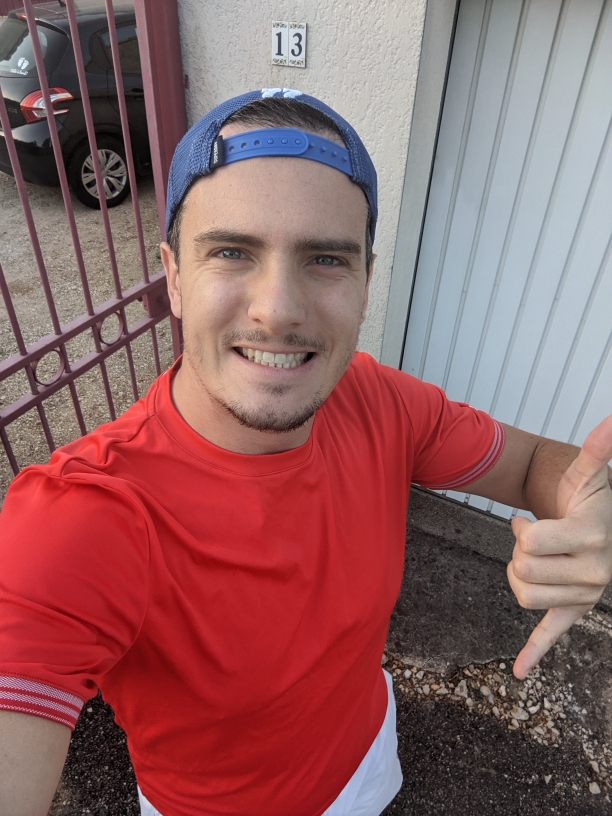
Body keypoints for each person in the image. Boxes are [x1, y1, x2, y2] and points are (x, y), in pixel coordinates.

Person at [0, 88, 611, 816]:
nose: (279, 309)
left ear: (365, 283)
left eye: (325, 258)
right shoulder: (80, 514)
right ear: (174, 277)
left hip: (370, 759)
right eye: (232, 252)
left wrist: (591, 509)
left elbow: (537, 464)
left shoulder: (378, 398)